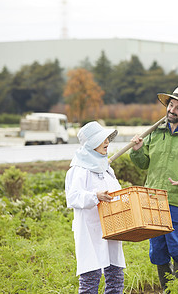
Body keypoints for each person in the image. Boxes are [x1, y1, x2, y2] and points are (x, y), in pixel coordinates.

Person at [130, 86, 178, 291]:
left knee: (177, 247)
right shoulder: (155, 131)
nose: (172, 110)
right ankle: (167, 289)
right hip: (153, 198)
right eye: (171, 105)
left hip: (177, 199)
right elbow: (143, 163)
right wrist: (137, 151)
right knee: (157, 249)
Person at [65, 121, 126, 294]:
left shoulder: (106, 168)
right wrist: (95, 196)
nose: (107, 142)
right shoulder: (78, 170)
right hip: (90, 230)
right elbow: (73, 197)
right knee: (90, 278)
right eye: (102, 139)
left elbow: (117, 192)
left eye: (107, 138)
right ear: (91, 144)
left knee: (115, 276)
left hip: (111, 227)